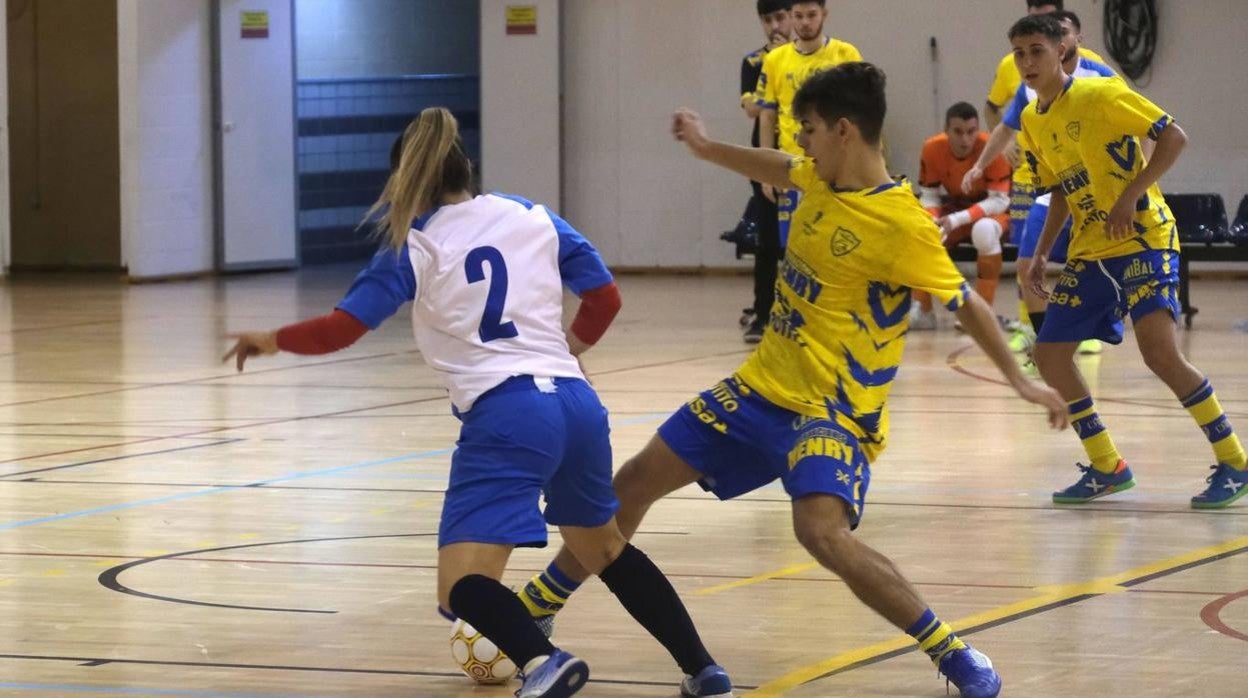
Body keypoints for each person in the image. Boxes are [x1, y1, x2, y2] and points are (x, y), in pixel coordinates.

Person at [519, 63, 1072, 698]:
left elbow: (966, 305)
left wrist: (1021, 382)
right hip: (759, 389)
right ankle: (540, 602)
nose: (800, 141)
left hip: (831, 412)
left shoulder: (900, 222)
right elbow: (778, 167)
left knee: (819, 533)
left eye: (806, 129)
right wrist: (704, 148)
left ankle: (951, 651)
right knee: (631, 484)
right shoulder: (819, 175)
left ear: (843, 130)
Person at [221, 108, 734, 698]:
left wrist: (271, 339)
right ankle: (704, 670)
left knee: (458, 587)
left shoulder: (415, 243)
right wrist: (566, 349)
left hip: (509, 413)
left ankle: (543, 661)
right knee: (605, 547)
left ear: (406, 185)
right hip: (576, 402)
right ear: (469, 171)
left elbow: (343, 328)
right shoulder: (533, 216)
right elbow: (605, 298)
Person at [1009, 14, 1247, 508]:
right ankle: (1107, 466)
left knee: (1159, 354)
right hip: (1092, 250)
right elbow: (1056, 193)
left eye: (1036, 50)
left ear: (1061, 52)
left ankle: (1235, 461)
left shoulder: (1101, 95)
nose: (1027, 62)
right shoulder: (1032, 121)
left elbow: (1173, 135)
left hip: (1143, 238)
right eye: (1019, 53)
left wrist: (1130, 195)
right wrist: (1038, 256)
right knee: (1050, 356)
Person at [965, 10, 1116, 356]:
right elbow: (1005, 126)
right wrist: (981, 164)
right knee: (1026, 263)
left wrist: (1136, 177)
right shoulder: (1028, 92)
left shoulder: (1099, 79)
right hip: (1053, 188)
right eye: (1021, 53)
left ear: (1069, 42)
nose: (1028, 60)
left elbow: (1150, 126)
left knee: (1089, 266)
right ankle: (1041, 338)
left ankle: (1090, 329)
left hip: (1097, 193)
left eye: (1062, 34)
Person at [755, 0, 861, 247]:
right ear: (790, 16)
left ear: (824, 14)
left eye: (811, 15)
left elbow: (860, 112)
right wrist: (765, 174)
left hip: (838, 167)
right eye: (798, 16)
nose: (805, 22)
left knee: (839, 244)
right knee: (796, 246)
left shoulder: (845, 54)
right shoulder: (775, 59)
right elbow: (767, 117)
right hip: (793, 166)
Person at [910, 102, 1012, 330]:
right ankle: (922, 309)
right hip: (954, 209)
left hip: (993, 214)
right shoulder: (932, 149)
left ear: (978, 130)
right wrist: (933, 219)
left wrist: (956, 220)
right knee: (922, 231)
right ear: (946, 131)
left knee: (984, 231)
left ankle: (981, 314)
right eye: (958, 132)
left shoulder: (992, 148)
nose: (965, 139)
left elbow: (1000, 201)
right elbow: (929, 195)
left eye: (971, 131)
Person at [738, 0, 794, 343]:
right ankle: (762, 313)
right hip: (766, 158)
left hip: (802, 153)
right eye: (768, 19)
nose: (776, 25)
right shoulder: (754, 62)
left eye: (781, 17)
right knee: (768, 241)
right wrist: (770, 69)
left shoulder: (806, 59)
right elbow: (750, 108)